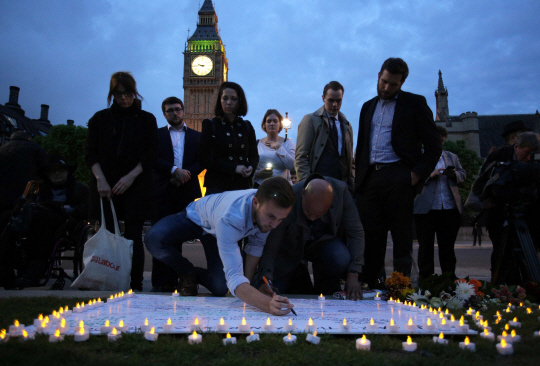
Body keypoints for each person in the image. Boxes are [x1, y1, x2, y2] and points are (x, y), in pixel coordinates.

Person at [145, 176, 296, 315]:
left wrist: (248, 288)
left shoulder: (268, 207)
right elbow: (235, 277)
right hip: (197, 216)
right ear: (255, 203)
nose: (274, 225)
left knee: (221, 288)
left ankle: (196, 275)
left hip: (218, 230)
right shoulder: (231, 218)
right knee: (154, 238)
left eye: (280, 219)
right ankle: (187, 271)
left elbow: (255, 248)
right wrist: (267, 304)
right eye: (271, 217)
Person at [354, 58, 441, 289]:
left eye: (392, 85)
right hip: (370, 179)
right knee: (371, 238)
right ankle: (371, 287)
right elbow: (362, 146)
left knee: (402, 239)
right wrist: (359, 180)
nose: (386, 88)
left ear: (402, 83)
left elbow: (434, 146)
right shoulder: (367, 107)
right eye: (383, 82)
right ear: (378, 75)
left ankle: (400, 289)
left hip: (399, 176)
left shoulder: (414, 103)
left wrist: (415, 175)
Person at [84, 71, 158, 292]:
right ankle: (108, 280)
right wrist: (100, 180)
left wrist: (130, 176)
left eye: (128, 94)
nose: (124, 99)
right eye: (119, 94)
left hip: (136, 185)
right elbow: (90, 153)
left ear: (135, 93)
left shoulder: (147, 120)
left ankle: (135, 285)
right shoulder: (99, 119)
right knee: (107, 234)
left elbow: (150, 155)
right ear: (112, 94)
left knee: (134, 236)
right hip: (104, 186)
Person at [258, 174, 365, 299]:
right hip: (289, 249)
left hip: (323, 244)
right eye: (308, 211)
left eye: (319, 214)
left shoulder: (341, 193)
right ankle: (295, 274)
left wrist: (353, 273)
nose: (312, 218)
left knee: (340, 256)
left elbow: (356, 232)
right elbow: (272, 243)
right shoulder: (291, 197)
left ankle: (326, 286)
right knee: (272, 293)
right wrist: (267, 277)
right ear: (303, 193)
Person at [0, 155, 89, 288]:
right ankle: (6, 269)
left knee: (41, 221)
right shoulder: (39, 189)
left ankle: (34, 272)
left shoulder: (80, 189)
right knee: (7, 218)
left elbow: (86, 209)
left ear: (67, 172)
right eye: (53, 171)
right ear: (47, 174)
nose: (57, 173)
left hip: (63, 221)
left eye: (61, 170)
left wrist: (65, 209)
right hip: (34, 218)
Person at [150, 96, 203, 293]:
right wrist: (173, 171)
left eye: (178, 109)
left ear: (183, 111)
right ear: (164, 114)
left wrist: (185, 175)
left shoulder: (197, 136)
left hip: (186, 191)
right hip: (163, 190)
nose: (175, 113)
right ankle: (161, 282)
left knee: (178, 236)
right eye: (170, 110)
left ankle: (181, 279)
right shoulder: (156, 135)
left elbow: (202, 160)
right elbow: (152, 159)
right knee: (159, 235)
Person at [479, 132, 540, 284]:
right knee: (502, 252)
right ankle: (502, 286)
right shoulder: (500, 155)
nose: (528, 159)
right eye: (526, 154)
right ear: (516, 146)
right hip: (499, 211)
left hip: (529, 212)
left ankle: (529, 285)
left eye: (532, 156)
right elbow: (485, 181)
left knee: (530, 251)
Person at [413, 126, 466, 280]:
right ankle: (426, 278)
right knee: (425, 247)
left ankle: (449, 278)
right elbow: (412, 178)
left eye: (442, 142)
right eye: (437, 141)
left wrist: (454, 174)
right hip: (426, 209)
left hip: (449, 207)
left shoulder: (451, 157)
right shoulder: (419, 157)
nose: (440, 144)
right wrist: (431, 175)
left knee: (448, 247)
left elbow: (463, 174)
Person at [198, 82, 258, 195]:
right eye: (225, 98)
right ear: (219, 100)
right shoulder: (210, 125)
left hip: (242, 186)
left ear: (240, 101)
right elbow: (203, 158)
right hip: (217, 187)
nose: (229, 102)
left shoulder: (247, 126)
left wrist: (251, 167)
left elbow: (254, 155)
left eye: (233, 99)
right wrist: (233, 168)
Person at [295, 81, 354, 189]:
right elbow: (300, 157)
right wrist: (308, 184)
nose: (335, 104)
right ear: (323, 98)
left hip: (343, 185)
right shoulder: (310, 120)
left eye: (338, 101)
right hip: (318, 185)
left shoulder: (346, 124)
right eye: (331, 100)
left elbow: (350, 158)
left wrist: (352, 181)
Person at [0, 131, 48, 212]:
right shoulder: (35, 148)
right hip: (25, 190)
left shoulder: (2, 149)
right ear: (29, 138)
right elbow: (46, 167)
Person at [253, 109, 295, 187]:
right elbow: (249, 167)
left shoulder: (288, 142)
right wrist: (258, 174)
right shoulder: (256, 144)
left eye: (275, 121)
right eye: (269, 121)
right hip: (260, 187)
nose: (272, 124)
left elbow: (292, 166)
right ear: (264, 125)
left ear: (280, 124)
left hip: (282, 187)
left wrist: (279, 147)